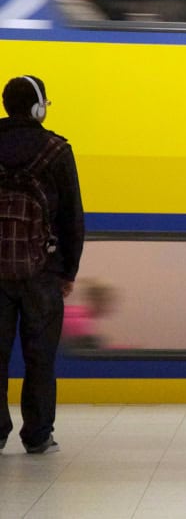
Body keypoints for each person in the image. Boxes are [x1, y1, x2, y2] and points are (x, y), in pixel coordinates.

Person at [0, 75, 85, 455]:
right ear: (38, 108)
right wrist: (68, 272)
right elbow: (72, 217)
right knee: (40, 356)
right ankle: (37, 435)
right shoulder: (56, 150)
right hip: (43, 271)